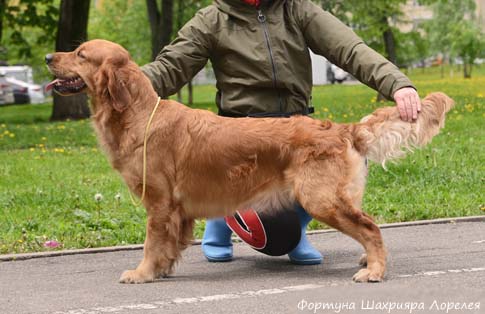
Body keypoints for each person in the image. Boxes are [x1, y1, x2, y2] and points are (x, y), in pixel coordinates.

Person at [141, 0, 421, 265]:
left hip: (292, 132)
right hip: (241, 144)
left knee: (342, 155)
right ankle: (222, 216)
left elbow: (349, 48)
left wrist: (397, 84)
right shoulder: (212, 19)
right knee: (275, 237)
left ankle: (296, 228)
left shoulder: (297, 10)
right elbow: (170, 67)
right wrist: (124, 81)